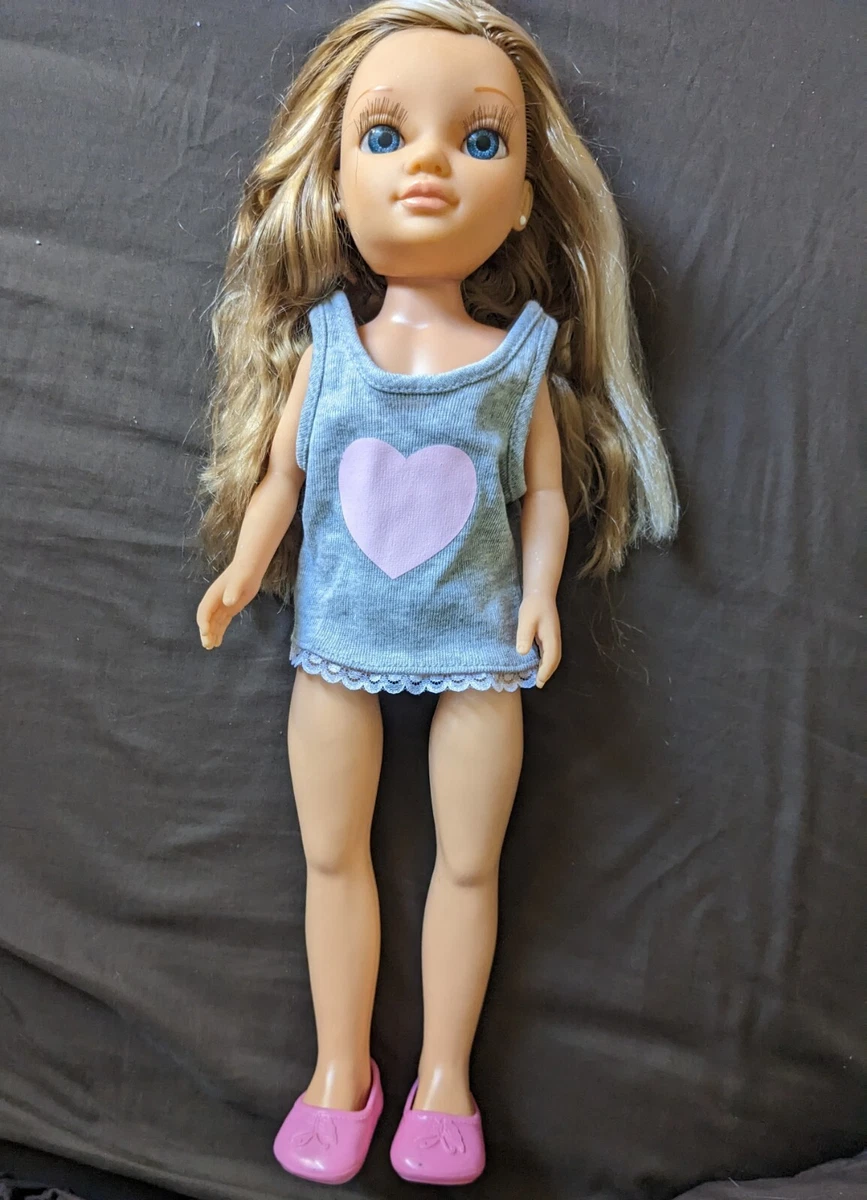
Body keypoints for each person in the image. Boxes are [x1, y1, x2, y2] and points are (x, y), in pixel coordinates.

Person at [195, 0, 678, 1186]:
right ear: (334, 187)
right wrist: (243, 571)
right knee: (331, 858)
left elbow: (545, 498)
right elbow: (283, 480)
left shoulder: (521, 362)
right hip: (335, 646)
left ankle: (445, 1077)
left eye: (479, 139)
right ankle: (339, 1071)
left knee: (471, 864)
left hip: (478, 650)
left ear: (520, 201)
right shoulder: (325, 349)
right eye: (384, 135)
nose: (426, 163)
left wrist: (541, 595)